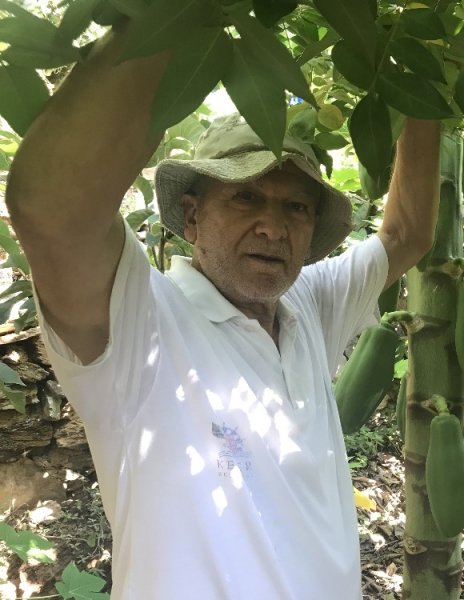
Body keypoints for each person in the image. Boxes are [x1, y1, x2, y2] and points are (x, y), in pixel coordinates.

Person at [6, 24, 441, 600]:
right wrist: (187, 16)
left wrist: (427, 70)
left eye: (296, 208)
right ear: (190, 217)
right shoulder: (139, 322)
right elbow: (51, 208)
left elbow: (408, 233)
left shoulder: (308, 303)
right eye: (245, 196)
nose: (273, 226)